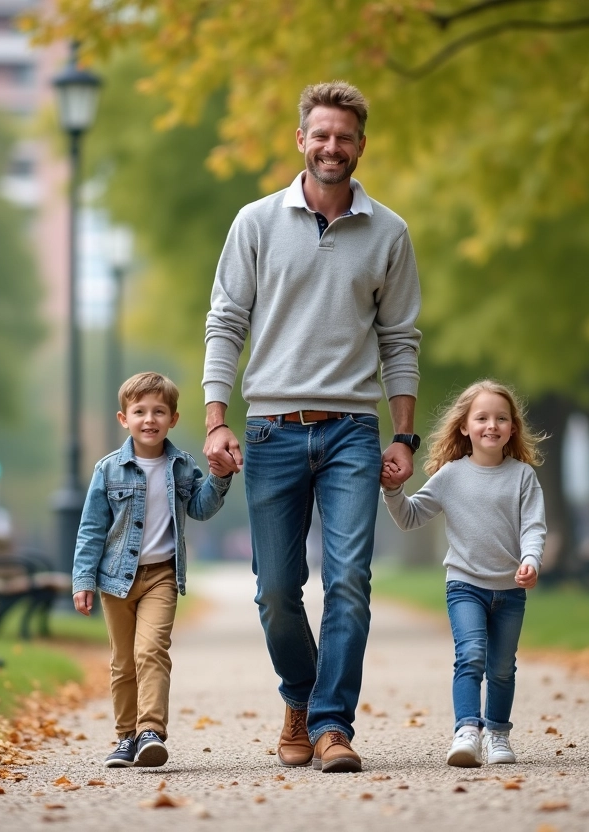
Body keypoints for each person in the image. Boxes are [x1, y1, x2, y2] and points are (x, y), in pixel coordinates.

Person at [203, 81, 422, 773]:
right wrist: (214, 419)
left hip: (355, 432)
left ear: (361, 144)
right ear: (301, 140)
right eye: (321, 135)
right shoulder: (255, 222)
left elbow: (401, 340)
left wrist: (404, 435)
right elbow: (225, 322)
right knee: (274, 590)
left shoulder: (389, 232)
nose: (333, 147)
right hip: (270, 429)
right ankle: (299, 696)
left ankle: (331, 726)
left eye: (346, 137)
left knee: (350, 579)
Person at [381, 379, 546, 767]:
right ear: (464, 427)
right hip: (465, 585)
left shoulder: (523, 476)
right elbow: (410, 516)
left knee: (502, 667)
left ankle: (498, 735)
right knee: (470, 656)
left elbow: (534, 528)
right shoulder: (451, 476)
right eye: (483, 417)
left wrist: (531, 560)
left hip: (510, 590)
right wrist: (392, 490)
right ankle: (467, 731)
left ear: (512, 428)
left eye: (501, 418)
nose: (492, 425)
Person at [72, 372, 232, 768]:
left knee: (151, 651)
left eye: (159, 411)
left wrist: (220, 477)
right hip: (115, 580)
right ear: (123, 418)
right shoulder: (108, 470)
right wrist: (83, 579)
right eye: (139, 411)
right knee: (123, 662)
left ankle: (150, 731)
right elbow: (91, 529)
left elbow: (200, 507)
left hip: (162, 574)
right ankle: (126, 737)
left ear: (173, 419)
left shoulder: (181, 466)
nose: (149, 419)